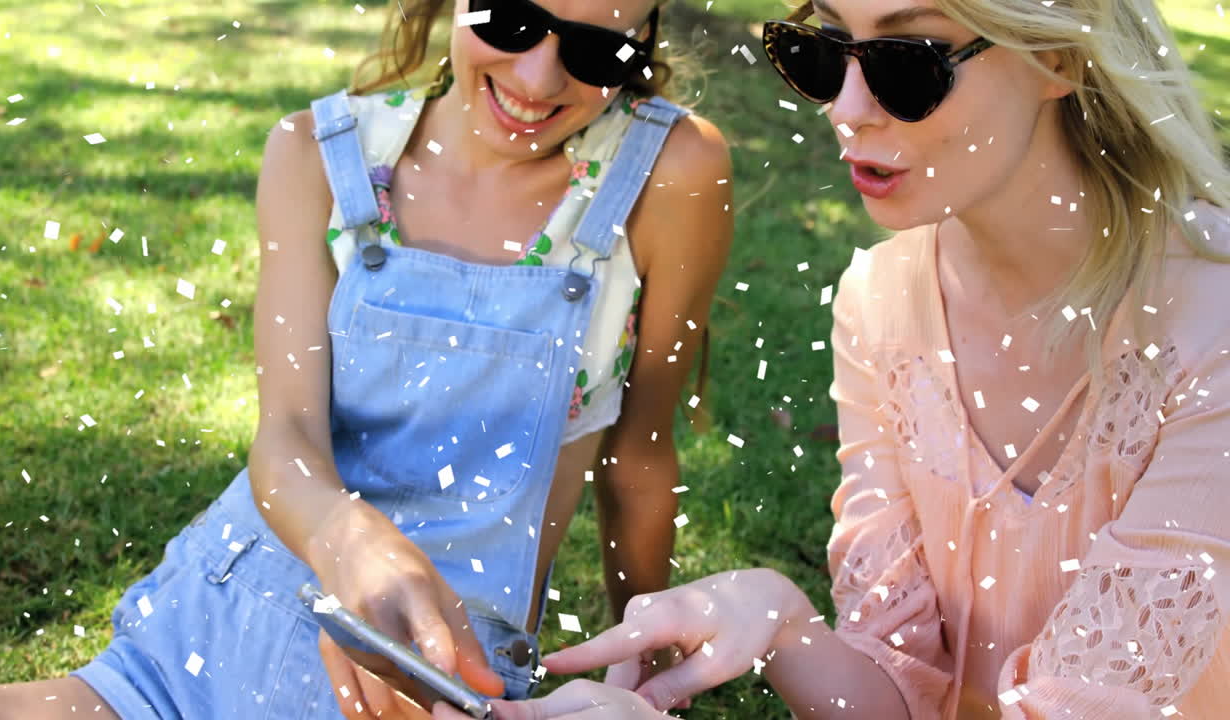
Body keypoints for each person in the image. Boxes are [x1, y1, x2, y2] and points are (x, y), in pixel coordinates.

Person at [430, 0, 1230, 717]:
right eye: (824, 52)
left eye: (906, 63)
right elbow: (902, 690)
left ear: (1058, 56)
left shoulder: (1212, 329)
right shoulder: (880, 302)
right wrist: (780, 619)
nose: (845, 110)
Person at [0, 0, 733, 718]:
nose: (538, 80)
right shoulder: (316, 152)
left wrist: (650, 654)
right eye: (511, 20)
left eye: (598, 52)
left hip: (432, 680)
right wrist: (346, 535)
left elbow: (639, 454)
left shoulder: (668, 173)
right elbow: (285, 434)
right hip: (220, 623)